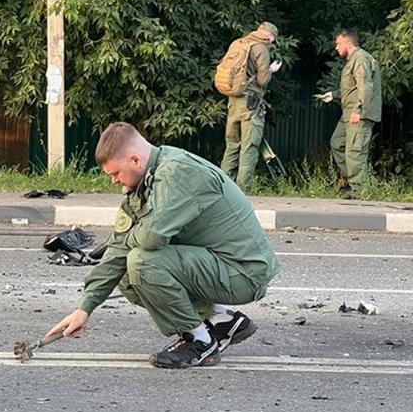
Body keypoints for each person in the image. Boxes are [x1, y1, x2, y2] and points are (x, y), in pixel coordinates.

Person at [46, 122, 279, 368]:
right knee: (126, 269)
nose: (114, 181)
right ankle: (220, 320)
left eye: (115, 173)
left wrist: (129, 240)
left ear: (135, 160)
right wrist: (84, 308)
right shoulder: (146, 181)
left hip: (243, 272)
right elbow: (117, 248)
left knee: (142, 261)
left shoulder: (178, 174)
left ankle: (199, 342)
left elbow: (149, 238)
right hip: (218, 264)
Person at [219, 21, 283, 190]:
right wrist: (271, 70)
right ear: (269, 36)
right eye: (273, 40)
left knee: (232, 145)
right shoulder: (261, 49)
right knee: (250, 146)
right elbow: (262, 80)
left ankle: (224, 188)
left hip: (233, 100)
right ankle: (241, 190)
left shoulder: (238, 43)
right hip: (251, 103)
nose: (272, 43)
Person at [318, 29, 381, 197]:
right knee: (337, 143)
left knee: (355, 152)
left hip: (357, 114)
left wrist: (359, 111)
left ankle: (358, 192)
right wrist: (334, 95)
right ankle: (351, 181)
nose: (337, 48)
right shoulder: (353, 60)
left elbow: (366, 87)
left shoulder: (360, 59)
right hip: (348, 114)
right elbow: (352, 87)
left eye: (338, 44)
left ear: (348, 43)